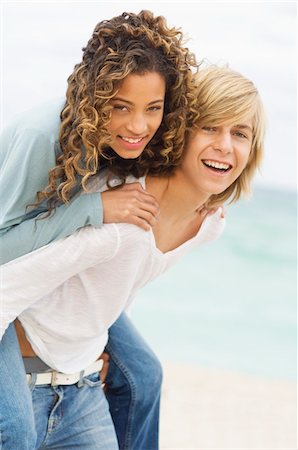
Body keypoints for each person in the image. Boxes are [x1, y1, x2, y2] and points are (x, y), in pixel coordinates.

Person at [1, 65, 266, 449]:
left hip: (79, 377)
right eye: (210, 127)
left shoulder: (209, 224)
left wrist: (94, 340)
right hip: (31, 341)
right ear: (179, 133)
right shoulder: (121, 221)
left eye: (240, 133)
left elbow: (120, 282)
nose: (225, 145)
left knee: (144, 374)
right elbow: (9, 283)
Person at [0, 10, 198, 450]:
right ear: (94, 97)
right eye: (120, 107)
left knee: (144, 376)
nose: (138, 126)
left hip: (46, 271)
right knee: (14, 429)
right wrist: (95, 209)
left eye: (153, 109)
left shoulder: (134, 143)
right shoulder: (42, 136)